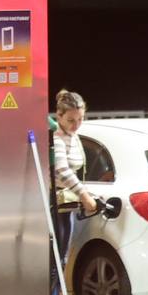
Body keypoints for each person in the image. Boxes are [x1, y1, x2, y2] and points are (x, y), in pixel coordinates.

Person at [48, 90, 100, 260]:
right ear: (59, 116)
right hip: (55, 203)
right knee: (57, 257)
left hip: (65, 205)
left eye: (80, 119)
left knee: (62, 255)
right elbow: (61, 170)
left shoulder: (72, 136)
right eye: (71, 120)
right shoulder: (57, 138)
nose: (76, 125)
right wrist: (84, 195)